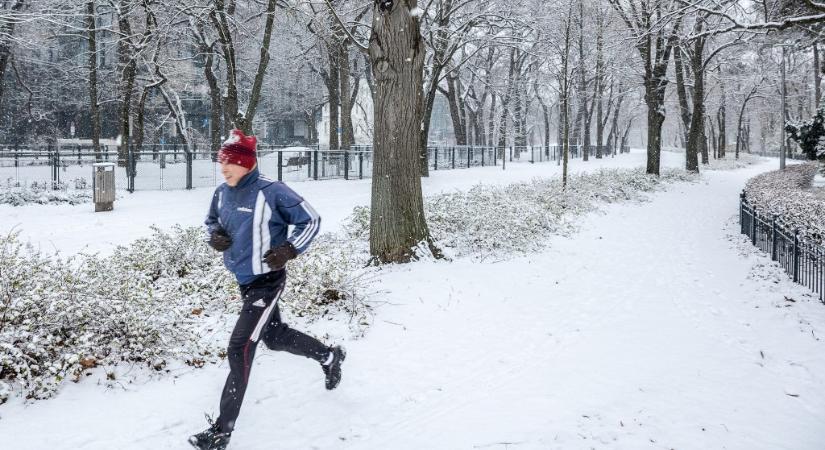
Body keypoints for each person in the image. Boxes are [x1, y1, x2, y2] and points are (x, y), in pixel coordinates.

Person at [189, 130, 346, 450]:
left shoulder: (272, 192)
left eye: (231, 163)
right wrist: (214, 235)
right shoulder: (221, 193)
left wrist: (289, 249)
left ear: (247, 164)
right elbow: (210, 221)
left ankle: (222, 431)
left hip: (267, 282)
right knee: (274, 337)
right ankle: (330, 357)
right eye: (222, 163)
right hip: (244, 282)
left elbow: (311, 220)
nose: (225, 168)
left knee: (239, 348)